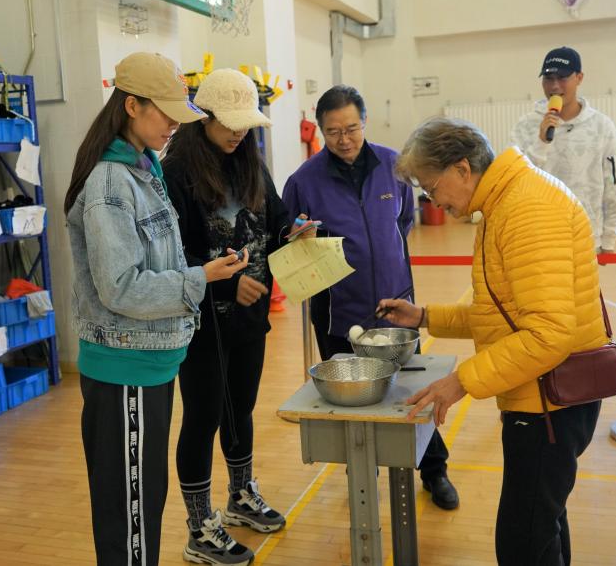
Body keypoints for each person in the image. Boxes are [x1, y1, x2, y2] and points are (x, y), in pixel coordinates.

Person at [378, 116, 609, 565]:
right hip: (541, 393)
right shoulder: (505, 203)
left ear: (462, 169)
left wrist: (461, 381)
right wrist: (424, 317)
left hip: (549, 404)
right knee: (542, 526)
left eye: (431, 187)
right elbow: (501, 315)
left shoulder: (527, 209)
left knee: (524, 543)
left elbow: (548, 333)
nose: (433, 201)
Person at [65, 52, 249, 566]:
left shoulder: (142, 169)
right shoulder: (110, 183)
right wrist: (201, 277)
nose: (173, 124)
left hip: (149, 361)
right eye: (165, 112)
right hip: (125, 368)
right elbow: (121, 288)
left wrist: (204, 270)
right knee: (130, 518)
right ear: (131, 106)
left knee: (142, 507)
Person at [281, 85, 460, 511]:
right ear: (320, 130)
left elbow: (404, 221)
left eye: (351, 128)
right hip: (338, 312)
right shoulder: (303, 181)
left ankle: (434, 469)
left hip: (397, 306)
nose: (344, 139)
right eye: (333, 132)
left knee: (413, 392)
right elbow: (288, 240)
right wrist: (295, 237)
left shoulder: (394, 166)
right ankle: (361, 475)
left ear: (365, 121)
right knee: (352, 399)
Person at [163, 69, 310, 566]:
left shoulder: (250, 161)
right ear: (203, 118)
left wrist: (295, 231)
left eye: (246, 124)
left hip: (250, 316)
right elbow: (172, 253)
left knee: (240, 408)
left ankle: (240, 495)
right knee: (202, 418)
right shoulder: (176, 172)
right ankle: (199, 527)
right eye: (230, 124)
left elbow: (275, 218)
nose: (239, 133)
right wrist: (226, 283)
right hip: (203, 321)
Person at [510, 46, 616, 254]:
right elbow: (514, 180)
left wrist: (609, 237)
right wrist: (541, 142)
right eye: (548, 78)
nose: (554, 86)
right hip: (538, 237)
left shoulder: (601, 126)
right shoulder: (525, 126)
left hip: (585, 237)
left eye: (562, 78)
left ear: (579, 78)